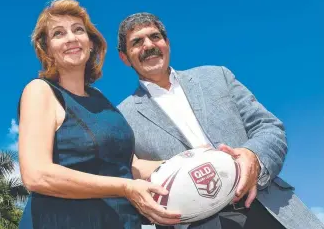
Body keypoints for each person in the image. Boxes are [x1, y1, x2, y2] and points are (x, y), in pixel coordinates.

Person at [116, 12, 324, 229]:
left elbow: (269, 127)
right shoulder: (121, 117)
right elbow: (128, 175)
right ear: (124, 57)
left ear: (167, 43)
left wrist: (254, 157)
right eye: (137, 42)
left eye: (155, 37)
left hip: (268, 207)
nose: (149, 45)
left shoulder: (217, 76)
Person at [17, 0, 182, 229]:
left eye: (78, 30)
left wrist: (194, 160)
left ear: (91, 43)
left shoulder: (102, 102)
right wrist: (124, 187)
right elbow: (37, 175)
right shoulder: (40, 91)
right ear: (47, 49)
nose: (71, 38)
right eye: (58, 33)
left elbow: (130, 166)